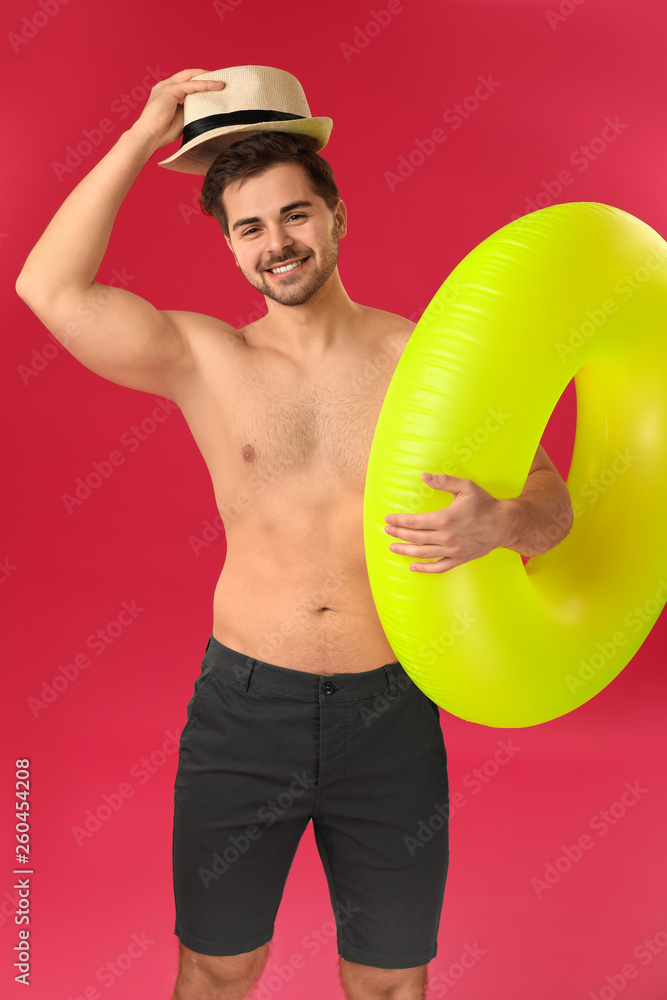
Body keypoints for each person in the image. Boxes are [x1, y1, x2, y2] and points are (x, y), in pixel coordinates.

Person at [15, 67, 574, 1000]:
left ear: (335, 215)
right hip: (245, 712)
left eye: (293, 216)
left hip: (390, 713)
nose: (276, 243)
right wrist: (146, 126)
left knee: (390, 981)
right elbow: (48, 287)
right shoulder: (204, 357)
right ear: (230, 248)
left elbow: (553, 512)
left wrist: (504, 520)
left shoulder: (426, 363)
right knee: (215, 966)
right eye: (249, 228)